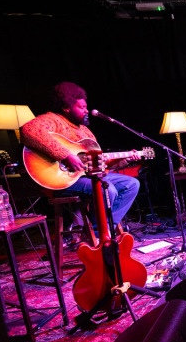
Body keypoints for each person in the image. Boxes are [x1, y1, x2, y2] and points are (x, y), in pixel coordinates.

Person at [21, 81, 140, 232]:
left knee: (131, 184)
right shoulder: (53, 120)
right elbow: (29, 130)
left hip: (86, 177)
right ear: (66, 107)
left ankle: (104, 230)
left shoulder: (85, 131)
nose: (87, 111)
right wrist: (65, 155)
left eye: (86, 107)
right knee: (108, 189)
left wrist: (125, 160)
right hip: (60, 181)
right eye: (82, 107)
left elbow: (100, 164)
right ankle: (100, 234)